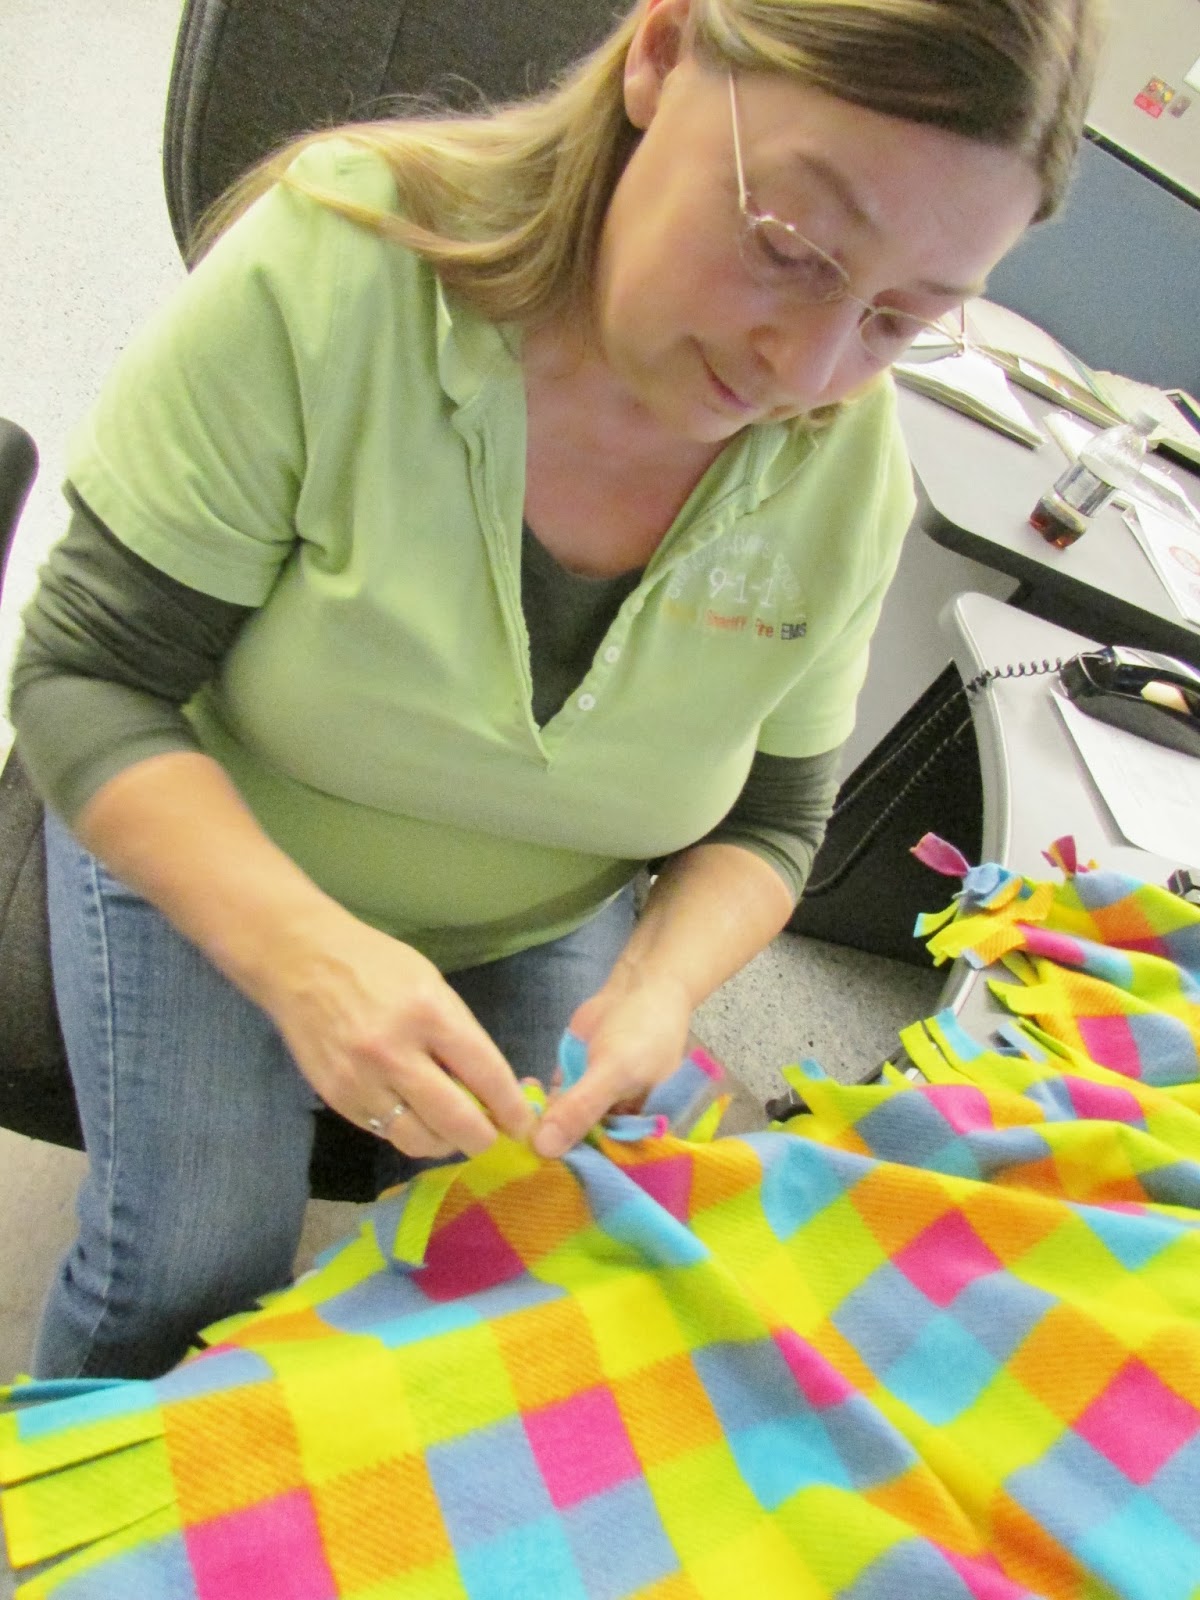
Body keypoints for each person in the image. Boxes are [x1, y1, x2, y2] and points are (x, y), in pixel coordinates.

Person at [12, 0, 1101, 1380]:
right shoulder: (337, 271)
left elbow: (769, 826)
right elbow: (84, 677)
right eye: (786, 250)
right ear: (658, 54)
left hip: (541, 907)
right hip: (226, 815)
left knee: (533, 1262)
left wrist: (659, 985)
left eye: (901, 318)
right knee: (193, 1256)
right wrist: (299, 950)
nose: (805, 372)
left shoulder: (842, 470)